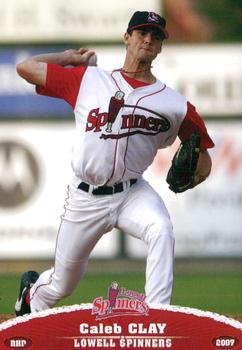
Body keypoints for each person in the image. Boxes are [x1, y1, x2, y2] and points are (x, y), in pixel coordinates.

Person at [15, 10, 214, 316]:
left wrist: (198, 172)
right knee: (61, 284)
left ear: (161, 47)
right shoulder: (88, 81)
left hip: (132, 193)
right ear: (127, 38)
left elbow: (204, 157)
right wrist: (69, 57)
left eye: (155, 36)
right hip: (85, 197)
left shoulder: (174, 104)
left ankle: (159, 315)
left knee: (160, 228)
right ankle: (31, 299)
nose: (148, 40)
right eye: (141, 33)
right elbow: (26, 67)